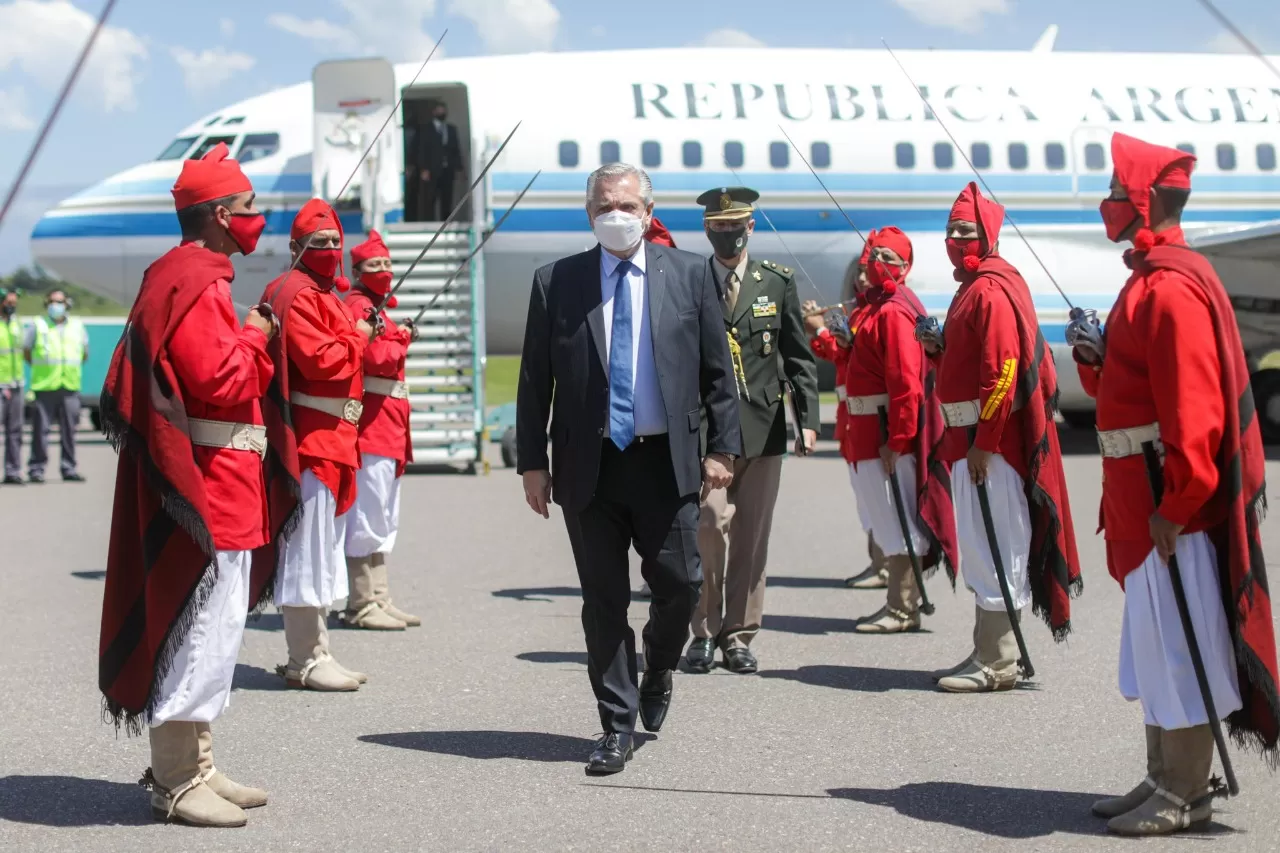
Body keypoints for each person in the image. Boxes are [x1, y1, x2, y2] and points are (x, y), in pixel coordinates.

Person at [1068, 132, 1279, 836]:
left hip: (1169, 503)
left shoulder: (1169, 288)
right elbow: (1138, 388)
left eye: (1115, 186)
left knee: (1180, 648)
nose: (1106, 199)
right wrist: (1098, 360)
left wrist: (1178, 504)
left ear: (1144, 198)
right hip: (1147, 495)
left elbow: (1194, 415)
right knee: (1157, 644)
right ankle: (1164, 773)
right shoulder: (1148, 280)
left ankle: (1187, 789)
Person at [516, 162, 741, 775]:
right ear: (590, 214)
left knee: (682, 586)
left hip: (664, 462)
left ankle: (660, 663)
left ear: (648, 211)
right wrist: (532, 463)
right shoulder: (556, 282)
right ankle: (615, 725)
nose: (616, 216)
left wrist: (723, 450)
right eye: (604, 206)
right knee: (603, 600)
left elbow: (718, 373)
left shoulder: (691, 274)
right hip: (590, 467)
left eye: (627, 205)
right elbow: (536, 381)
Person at [98, 142, 276, 827]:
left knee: (216, 626)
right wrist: (259, 334)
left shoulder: (187, 273)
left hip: (222, 479)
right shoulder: (200, 278)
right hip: (210, 484)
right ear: (221, 214)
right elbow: (221, 380)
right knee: (199, 627)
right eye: (249, 207)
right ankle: (176, 777)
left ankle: (198, 760)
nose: (256, 218)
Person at [918, 182, 1081, 693]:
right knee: (982, 543)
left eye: (964, 230)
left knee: (997, 545)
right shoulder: (972, 287)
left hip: (992, 447)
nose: (954, 238)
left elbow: (1003, 372)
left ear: (987, 234)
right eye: (949, 231)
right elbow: (970, 366)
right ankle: (988, 647)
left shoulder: (989, 288)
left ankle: (998, 660)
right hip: (970, 441)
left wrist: (986, 442)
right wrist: (939, 350)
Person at [685, 186, 819, 675]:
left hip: (763, 430)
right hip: (706, 434)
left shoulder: (776, 282)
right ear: (707, 228)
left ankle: (738, 634)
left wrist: (808, 422)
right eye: (718, 226)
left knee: (751, 536)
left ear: (751, 226)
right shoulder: (691, 279)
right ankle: (701, 631)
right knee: (707, 528)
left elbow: (798, 357)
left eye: (735, 224)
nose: (727, 233)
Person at [261, 198, 378, 692]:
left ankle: (317, 649)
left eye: (335, 242)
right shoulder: (299, 292)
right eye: (318, 243)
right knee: (308, 551)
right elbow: (323, 360)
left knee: (322, 549)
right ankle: (305, 656)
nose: (330, 250)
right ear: (295, 248)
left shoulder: (319, 290)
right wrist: (359, 335)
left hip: (332, 439)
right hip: (311, 441)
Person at [830, 227, 957, 636]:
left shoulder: (894, 310)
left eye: (887, 256)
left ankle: (902, 608)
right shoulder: (875, 306)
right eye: (873, 254)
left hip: (885, 434)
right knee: (887, 521)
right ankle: (900, 604)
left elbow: (906, 382)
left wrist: (897, 440)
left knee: (897, 522)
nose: (876, 262)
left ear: (905, 267)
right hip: (866, 430)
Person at [341, 230, 420, 630]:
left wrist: (399, 334)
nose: (384, 271)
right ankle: (360, 601)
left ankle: (380, 597)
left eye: (388, 264)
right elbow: (373, 357)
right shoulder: (359, 306)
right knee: (367, 516)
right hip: (372, 425)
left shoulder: (379, 308)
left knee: (384, 515)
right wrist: (402, 340)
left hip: (390, 425)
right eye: (375, 265)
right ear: (357, 271)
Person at [803, 248, 890, 590]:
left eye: (868, 272)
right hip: (852, 417)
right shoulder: (862, 311)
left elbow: (855, 360)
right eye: (859, 272)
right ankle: (879, 562)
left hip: (871, 419)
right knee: (867, 500)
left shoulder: (879, 313)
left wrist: (822, 332)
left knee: (878, 500)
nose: (861, 279)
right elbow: (840, 356)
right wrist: (821, 334)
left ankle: (887, 567)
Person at [24, 288, 88, 482]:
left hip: (69, 386)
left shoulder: (77, 326)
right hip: (44, 387)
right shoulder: (38, 325)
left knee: (69, 430)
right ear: (47, 304)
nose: (56, 305)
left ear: (66, 304)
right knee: (40, 431)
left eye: (59, 302)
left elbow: (84, 353)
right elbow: (27, 352)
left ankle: (68, 468)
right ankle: (37, 469)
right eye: (52, 301)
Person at [417, 101, 462, 222]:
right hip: (432, 170)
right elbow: (422, 149)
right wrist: (424, 169)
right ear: (434, 112)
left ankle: (445, 221)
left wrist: (459, 168)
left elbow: (456, 149)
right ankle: (428, 221)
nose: (442, 113)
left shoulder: (451, 129)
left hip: (448, 169)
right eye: (439, 110)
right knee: (430, 198)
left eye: (443, 110)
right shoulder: (426, 129)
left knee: (447, 197)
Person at [0, 289, 24, 484]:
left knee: (15, 431)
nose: (12, 306)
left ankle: (12, 471)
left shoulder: (16, 323)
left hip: (15, 385)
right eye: (8, 302)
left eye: (14, 303)